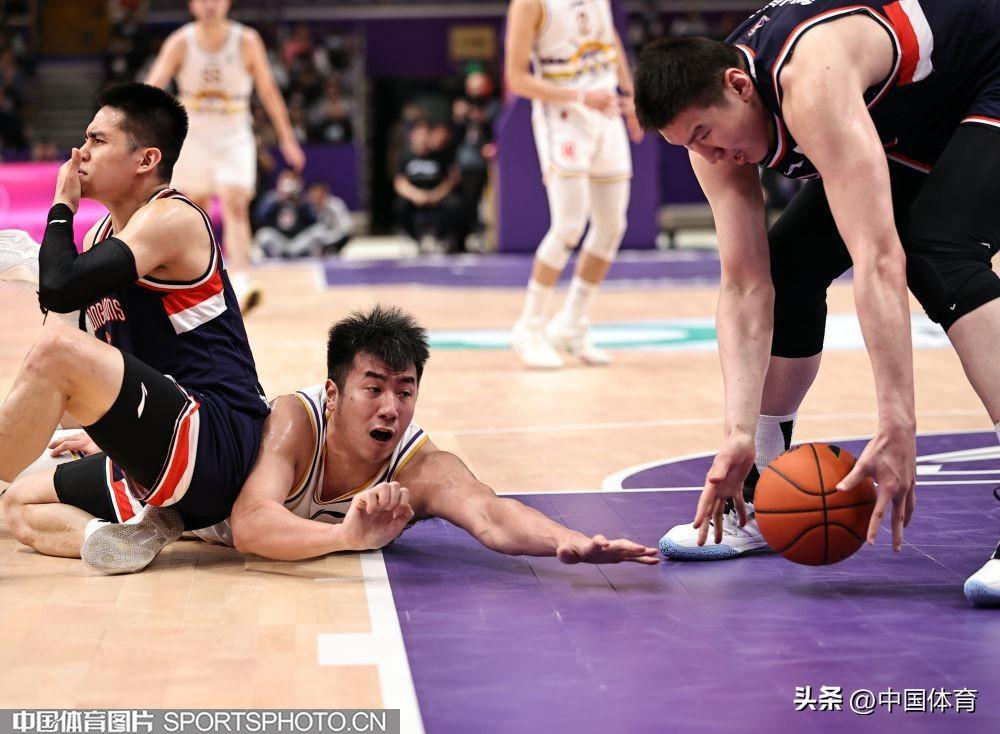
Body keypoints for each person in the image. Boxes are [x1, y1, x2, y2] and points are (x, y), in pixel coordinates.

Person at [633, 0, 1000, 606]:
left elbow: (878, 260)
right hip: (923, 107)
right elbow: (745, 285)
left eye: (705, 136)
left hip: (988, 66)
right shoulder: (712, 132)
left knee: (942, 250)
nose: (711, 157)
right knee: (788, 267)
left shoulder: (810, 80)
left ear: (738, 85)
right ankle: (758, 488)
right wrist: (736, 432)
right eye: (689, 147)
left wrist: (897, 422)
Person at [0, 82, 270, 575]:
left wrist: (61, 207)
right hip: (162, 446)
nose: (80, 152)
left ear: (146, 159)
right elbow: (77, 365)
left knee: (56, 350)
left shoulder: (172, 218)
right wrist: (109, 434)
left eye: (98, 140)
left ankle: (167, 510)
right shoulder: (102, 237)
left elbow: (61, 290)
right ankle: (131, 532)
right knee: (18, 501)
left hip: (217, 437)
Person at [185, 306, 655, 564]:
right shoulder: (295, 421)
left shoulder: (422, 468)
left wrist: (567, 539)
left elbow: (491, 515)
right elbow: (251, 526)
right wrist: (345, 537)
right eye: (373, 389)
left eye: (405, 391)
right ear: (333, 393)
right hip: (179, 499)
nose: (391, 408)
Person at [506, 0, 644, 369]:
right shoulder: (530, 4)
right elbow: (516, 79)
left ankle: (571, 323)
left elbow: (608, 36)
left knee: (612, 225)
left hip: (606, 109)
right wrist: (581, 96)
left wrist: (630, 93)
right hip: (563, 115)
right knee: (568, 225)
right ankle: (529, 327)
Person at [145, 0, 306, 314]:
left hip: (234, 131)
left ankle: (242, 281)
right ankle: (199, 284)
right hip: (193, 132)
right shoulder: (181, 41)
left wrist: (287, 137)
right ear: (192, 5)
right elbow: (152, 87)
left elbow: (268, 89)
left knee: (235, 204)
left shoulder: (246, 40)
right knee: (196, 211)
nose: (209, 5)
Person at [393, 122, 462, 254]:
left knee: (453, 205)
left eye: (426, 134)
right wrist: (416, 195)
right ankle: (412, 238)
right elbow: (400, 182)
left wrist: (435, 196)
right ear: (412, 136)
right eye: (420, 134)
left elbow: (449, 181)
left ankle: (442, 238)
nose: (423, 138)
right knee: (400, 205)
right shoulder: (405, 156)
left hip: (436, 197)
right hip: (414, 198)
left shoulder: (439, 156)